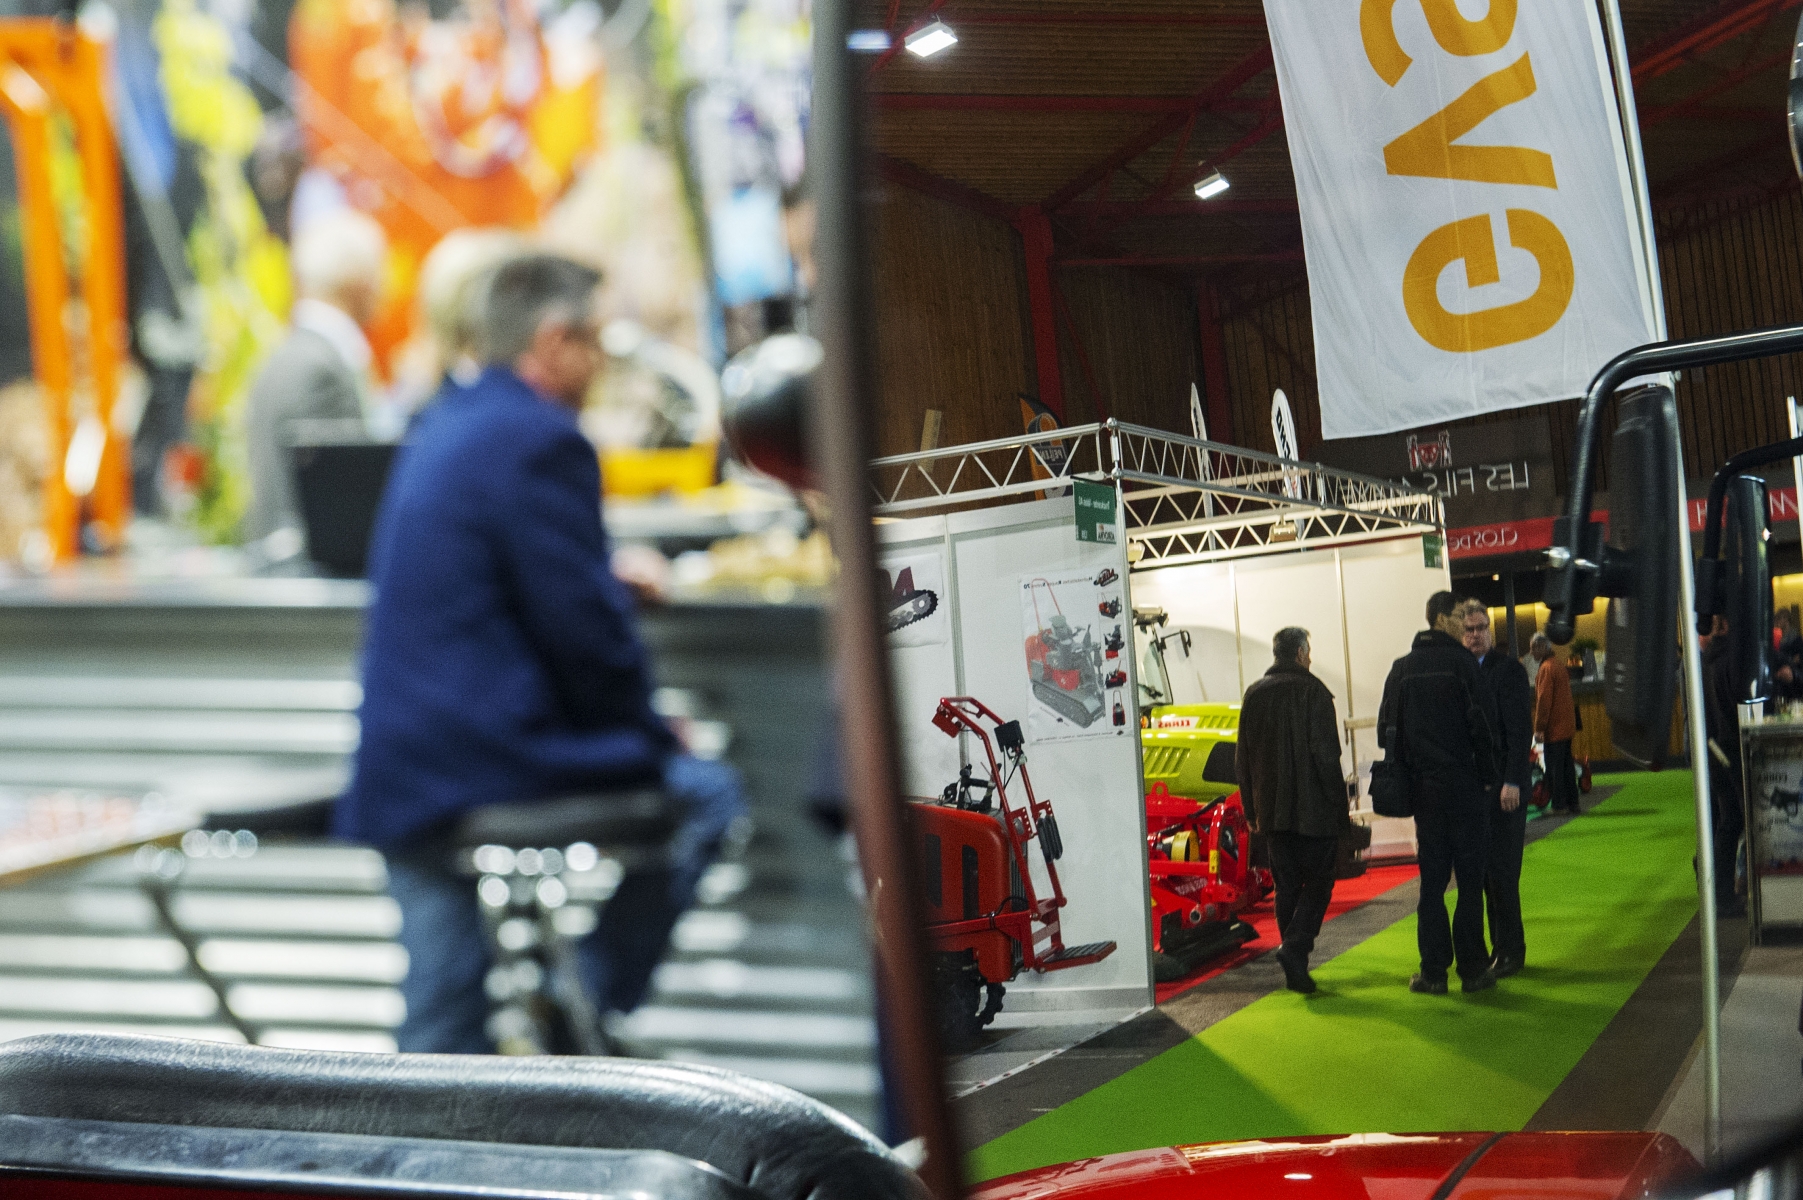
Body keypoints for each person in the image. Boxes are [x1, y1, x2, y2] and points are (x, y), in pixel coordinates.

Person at [336, 253, 747, 1052]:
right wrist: (655, 734)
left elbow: (510, 579)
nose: (597, 365)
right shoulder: (539, 438)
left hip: (403, 766)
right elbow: (586, 640)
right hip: (481, 756)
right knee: (707, 794)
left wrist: (595, 575)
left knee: (441, 1017)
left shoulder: (446, 419)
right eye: (591, 343)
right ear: (556, 341)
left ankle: (439, 1148)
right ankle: (573, 1016)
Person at [242, 209, 388, 551]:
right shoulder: (320, 368)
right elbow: (336, 497)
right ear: (360, 281)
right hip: (306, 576)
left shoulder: (292, 355)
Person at [1379, 590, 1500, 995]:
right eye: (1459, 615)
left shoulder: (1401, 670)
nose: (1464, 621)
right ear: (1443, 618)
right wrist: (1488, 777)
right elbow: (1484, 731)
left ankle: (1433, 972)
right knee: (1469, 883)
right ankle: (1473, 970)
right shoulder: (1464, 666)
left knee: (1431, 886)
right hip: (1466, 791)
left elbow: (1386, 733)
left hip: (1424, 795)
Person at [1237, 626, 1348, 995]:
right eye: (1309, 651)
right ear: (1300, 653)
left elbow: (1244, 761)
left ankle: (1294, 965)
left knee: (1286, 888)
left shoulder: (1254, 695)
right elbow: (1327, 758)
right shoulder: (1315, 693)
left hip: (1272, 814)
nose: (1311, 657)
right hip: (1314, 812)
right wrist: (1340, 806)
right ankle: (1295, 948)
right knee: (1319, 883)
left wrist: (1251, 810)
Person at [1458, 601, 1532, 977]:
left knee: (1503, 874)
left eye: (1481, 627)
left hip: (1507, 789)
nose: (1475, 634)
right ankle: (1497, 949)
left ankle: (1511, 951)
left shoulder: (1510, 671)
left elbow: (1520, 733)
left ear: (1491, 630)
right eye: (1469, 629)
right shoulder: (1462, 672)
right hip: (1477, 792)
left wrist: (1513, 780)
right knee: (1486, 876)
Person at [1702, 614, 1747, 915]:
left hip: (1713, 749)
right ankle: (1733, 892)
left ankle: (1720, 894)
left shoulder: (1705, 660)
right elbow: (1737, 707)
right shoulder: (1732, 658)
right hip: (1733, 749)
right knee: (1739, 821)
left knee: (1727, 823)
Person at [1530, 633, 1580, 814]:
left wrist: (1539, 728)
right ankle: (1573, 802)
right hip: (1566, 726)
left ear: (1542, 647)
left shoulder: (1546, 669)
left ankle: (1559, 805)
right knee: (1567, 767)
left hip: (1555, 728)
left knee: (1554, 769)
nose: (1531, 652)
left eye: (1533, 648)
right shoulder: (1558, 665)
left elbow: (1544, 701)